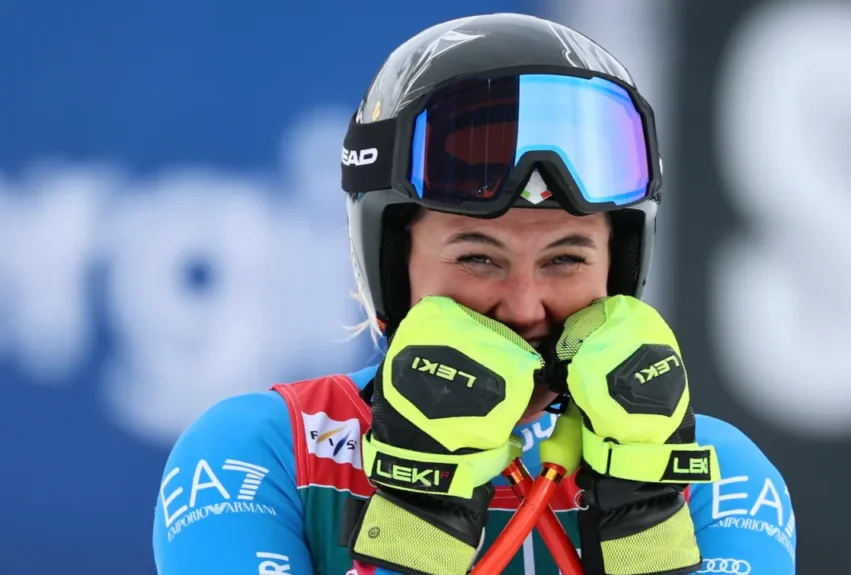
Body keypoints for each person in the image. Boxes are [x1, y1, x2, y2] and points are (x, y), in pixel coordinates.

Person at [153, 12, 797, 575]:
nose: (523, 306)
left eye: (566, 259)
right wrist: (417, 520)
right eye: (479, 258)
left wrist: (647, 524)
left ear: (619, 269)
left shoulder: (719, 473)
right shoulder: (260, 452)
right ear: (391, 265)